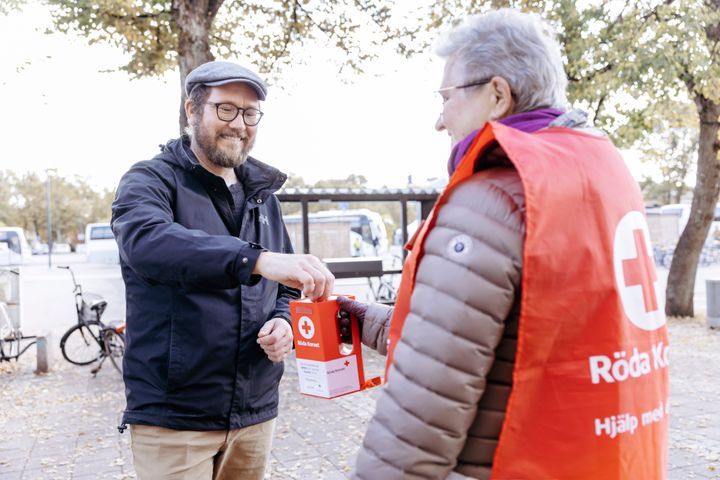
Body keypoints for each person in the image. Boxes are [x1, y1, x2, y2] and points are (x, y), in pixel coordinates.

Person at [340, 9, 669, 480]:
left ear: (497, 93)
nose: (440, 120)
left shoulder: (492, 196)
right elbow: (502, 330)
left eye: (446, 96)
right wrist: (366, 320)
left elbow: (425, 406)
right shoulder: (602, 172)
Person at [111, 60, 334, 480]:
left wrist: (284, 323)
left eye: (250, 113)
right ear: (192, 110)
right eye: (226, 109)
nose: (239, 124)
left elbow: (284, 290)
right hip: (175, 417)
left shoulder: (262, 196)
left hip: (255, 411)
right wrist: (258, 260)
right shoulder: (149, 180)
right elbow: (149, 243)